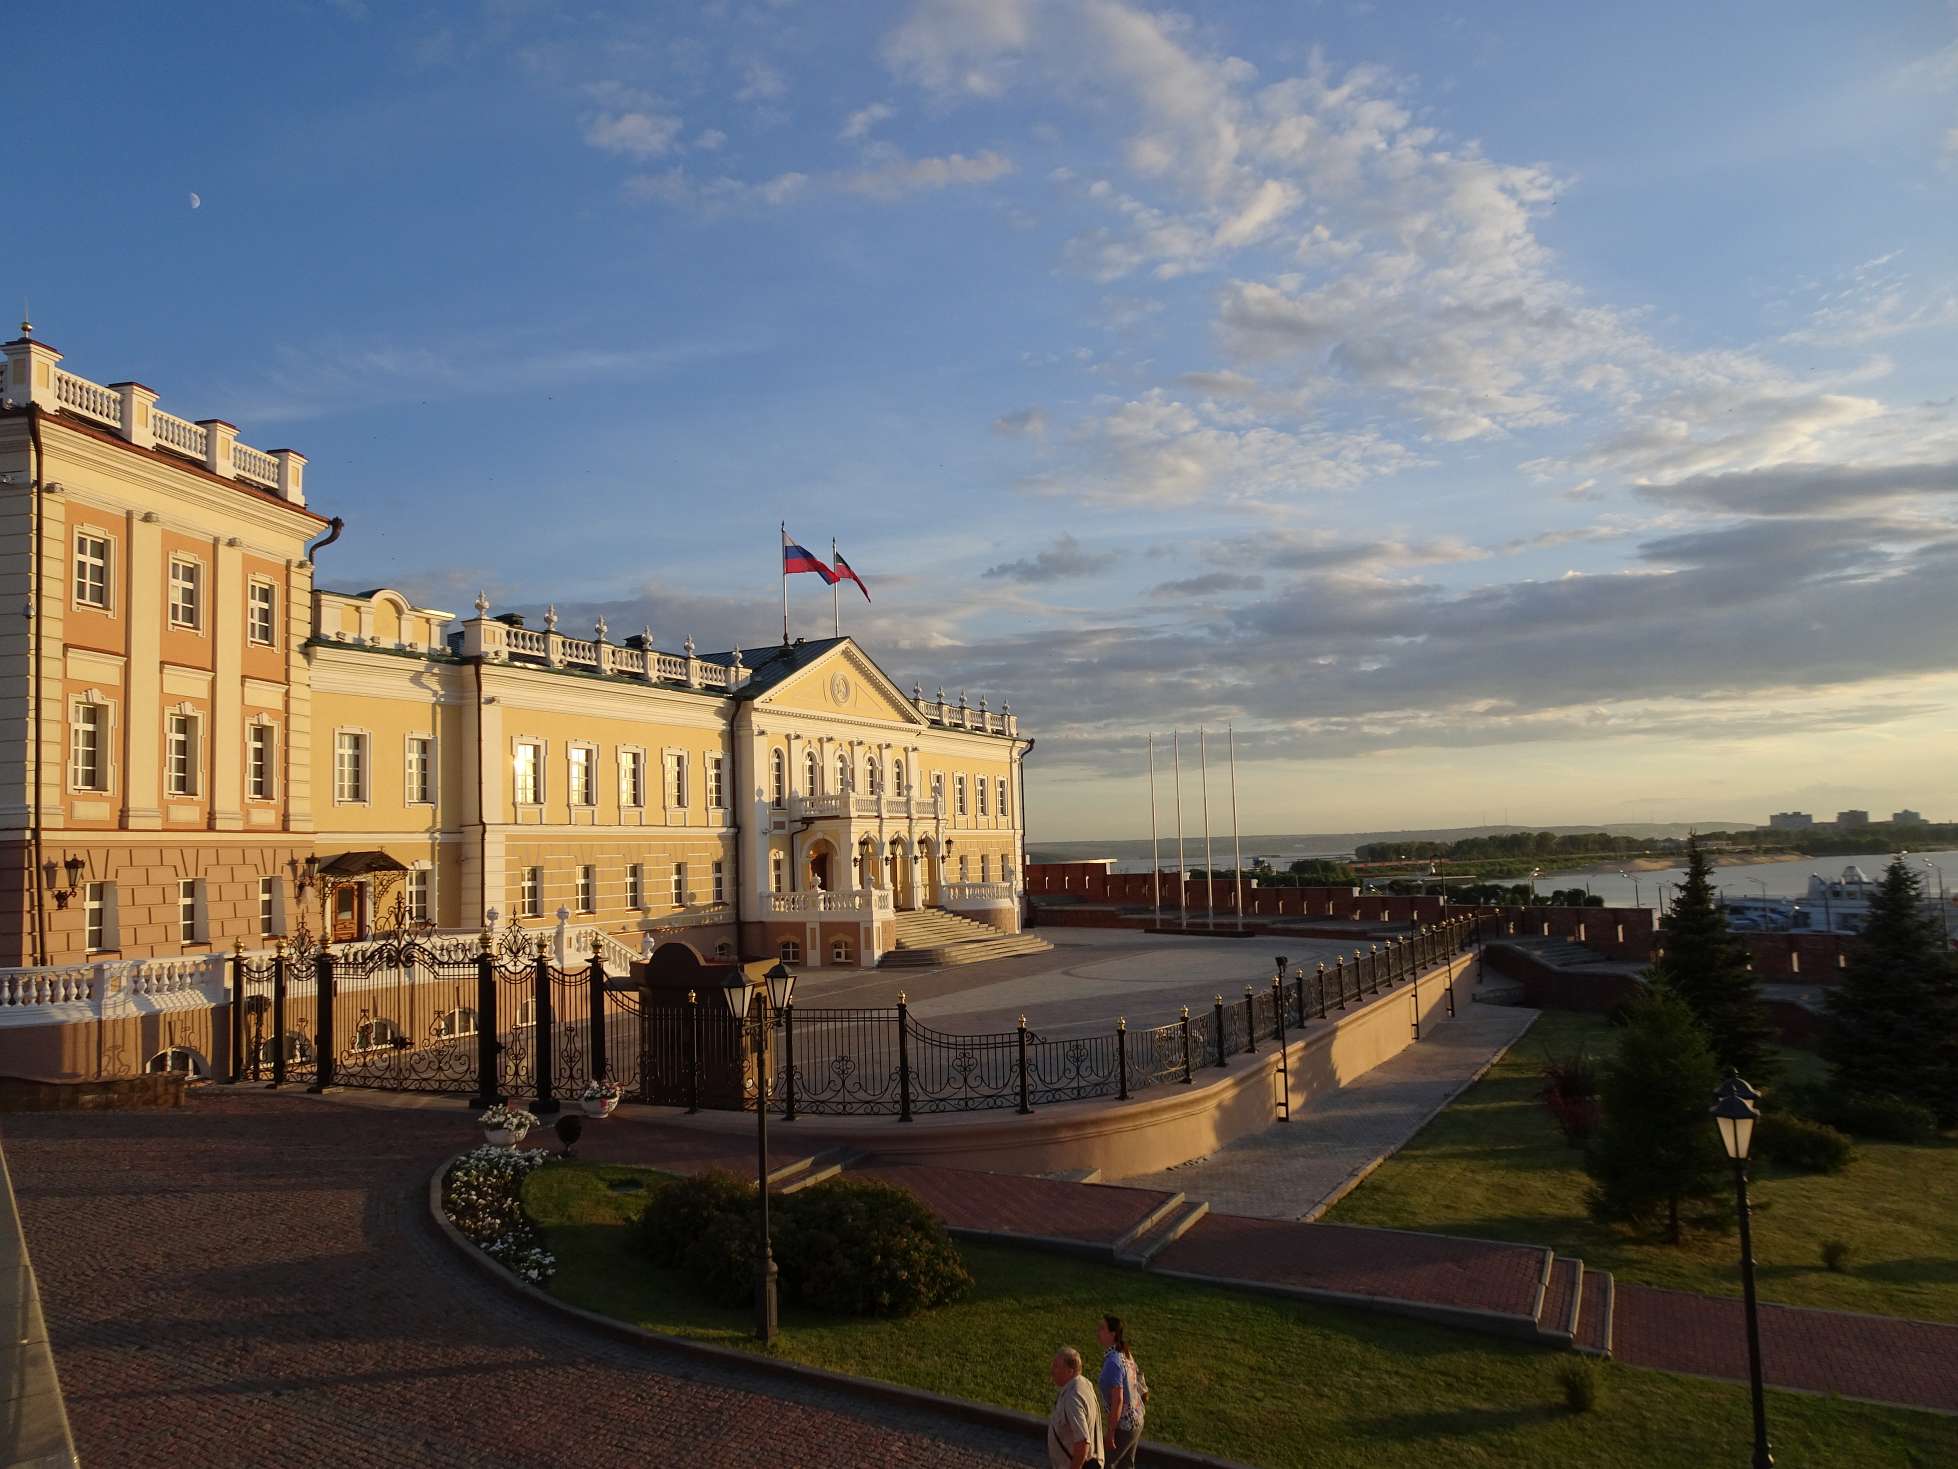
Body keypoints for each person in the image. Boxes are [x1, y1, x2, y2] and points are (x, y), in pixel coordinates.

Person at [1096, 1315, 1146, 1468]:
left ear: (1112, 1335)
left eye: (1102, 1328)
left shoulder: (1113, 1362)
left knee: (1103, 1463)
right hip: (1136, 1421)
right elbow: (1139, 1380)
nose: (1098, 1331)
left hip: (1124, 1426)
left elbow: (1118, 1400)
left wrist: (1110, 1434)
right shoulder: (1125, 1354)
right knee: (1126, 1465)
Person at [1047, 1346, 1103, 1469]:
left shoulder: (1072, 1398)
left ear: (1069, 1371)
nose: (1052, 1370)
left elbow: (1082, 1442)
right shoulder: (1085, 1384)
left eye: (1056, 1366)